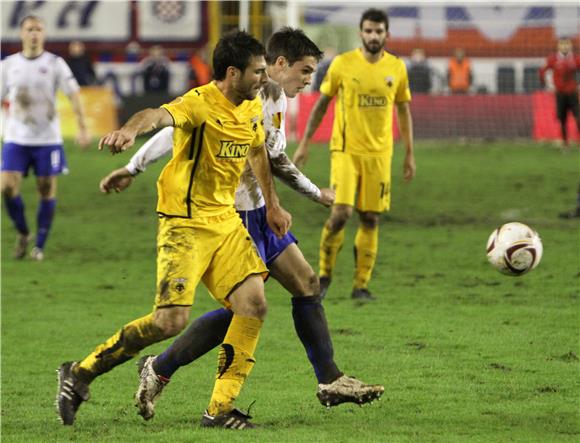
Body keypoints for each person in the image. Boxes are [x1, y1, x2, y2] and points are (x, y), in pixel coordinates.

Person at [99, 28, 385, 423]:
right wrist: (133, 165)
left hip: (261, 210)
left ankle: (330, 380)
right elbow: (176, 130)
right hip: (231, 214)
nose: (308, 80)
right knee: (245, 308)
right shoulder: (247, 92)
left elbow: (272, 155)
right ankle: (163, 368)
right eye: (305, 71)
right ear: (279, 64)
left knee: (306, 283)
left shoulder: (276, 96)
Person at [56, 30, 292, 429]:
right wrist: (131, 131)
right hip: (184, 224)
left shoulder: (252, 107)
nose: (263, 79)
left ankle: (219, 411)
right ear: (232, 73)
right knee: (170, 322)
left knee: (254, 303)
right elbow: (156, 116)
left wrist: (272, 203)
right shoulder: (199, 103)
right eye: (257, 71)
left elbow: (256, 151)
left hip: (225, 222)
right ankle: (80, 373)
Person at [293, 8, 416, 301]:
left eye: (379, 31)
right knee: (341, 213)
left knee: (371, 217)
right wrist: (305, 142)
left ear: (387, 34)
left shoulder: (397, 68)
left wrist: (409, 153)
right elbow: (322, 104)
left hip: (380, 155)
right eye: (369, 31)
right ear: (361, 33)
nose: (374, 36)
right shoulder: (343, 65)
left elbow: (403, 110)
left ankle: (361, 285)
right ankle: (323, 276)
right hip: (346, 151)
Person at [1, 15, 90, 261]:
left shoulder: (55, 63)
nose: (34, 34)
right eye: (30, 29)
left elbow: (74, 94)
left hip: (48, 139)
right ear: (21, 34)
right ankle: (23, 232)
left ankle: (39, 245)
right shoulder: (8, 65)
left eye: (39, 29)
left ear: (44, 34)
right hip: (16, 137)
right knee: (6, 187)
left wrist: (82, 127)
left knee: (46, 189)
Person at [539, 37, 580, 148]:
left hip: (572, 93)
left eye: (567, 44)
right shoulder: (553, 59)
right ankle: (565, 143)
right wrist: (547, 85)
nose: (565, 46)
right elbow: (542, 71)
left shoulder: (575, 59)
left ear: (571, 46)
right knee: (562, 119)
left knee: (578, 117)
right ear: (558, 46)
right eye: (562, 44)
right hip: (560, 94)